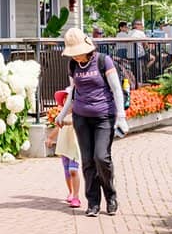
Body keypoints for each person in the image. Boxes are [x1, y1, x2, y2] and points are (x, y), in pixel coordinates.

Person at [57, 28, 129, 217]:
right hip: (81, 117)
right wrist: (62, 114)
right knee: (87, 161)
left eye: (77, 53)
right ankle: (93, 202)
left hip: (104, 116)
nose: (75, 57)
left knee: (101, 157)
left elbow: (116, 89)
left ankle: (111, 196)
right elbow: (72, 92)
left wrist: (121, 117)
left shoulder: (103, 61)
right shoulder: (73, 65)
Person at [45, 90, 82, 208]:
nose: (69, 103)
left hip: (74, 147)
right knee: (67, 172)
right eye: (66, 100)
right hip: (64, 146)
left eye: (71, 100)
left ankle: (76, 197)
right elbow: (57, 128)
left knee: (73, 170)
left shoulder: (79, 116)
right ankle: (71, 192)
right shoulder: (62, 116)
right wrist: (50, 138)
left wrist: (67, 121)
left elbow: (75, 123)